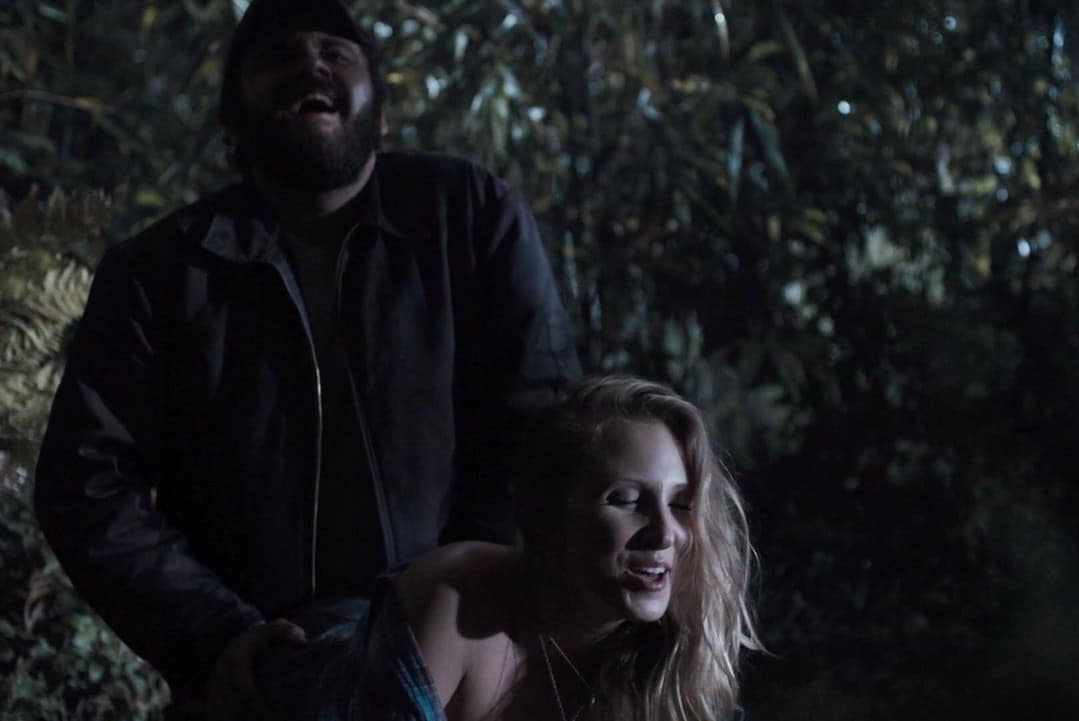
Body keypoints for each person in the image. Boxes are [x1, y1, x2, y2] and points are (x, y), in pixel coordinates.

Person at [32, 0, 580, 718]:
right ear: (232, 124)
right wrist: (217, 635)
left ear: (381, 115)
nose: (312, 65)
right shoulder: (160, 272)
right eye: (279, 57)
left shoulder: (469, 217)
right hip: (255, 681)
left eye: (336, 53)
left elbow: (545, 428)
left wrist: (459, 611)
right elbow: (87, 481)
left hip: (465, 668)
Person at [256, 375, 760, 721]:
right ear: (548, 513)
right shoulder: (456, 600)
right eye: (627, 500)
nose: (665, 532)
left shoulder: (680, 659)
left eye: (681, 504)